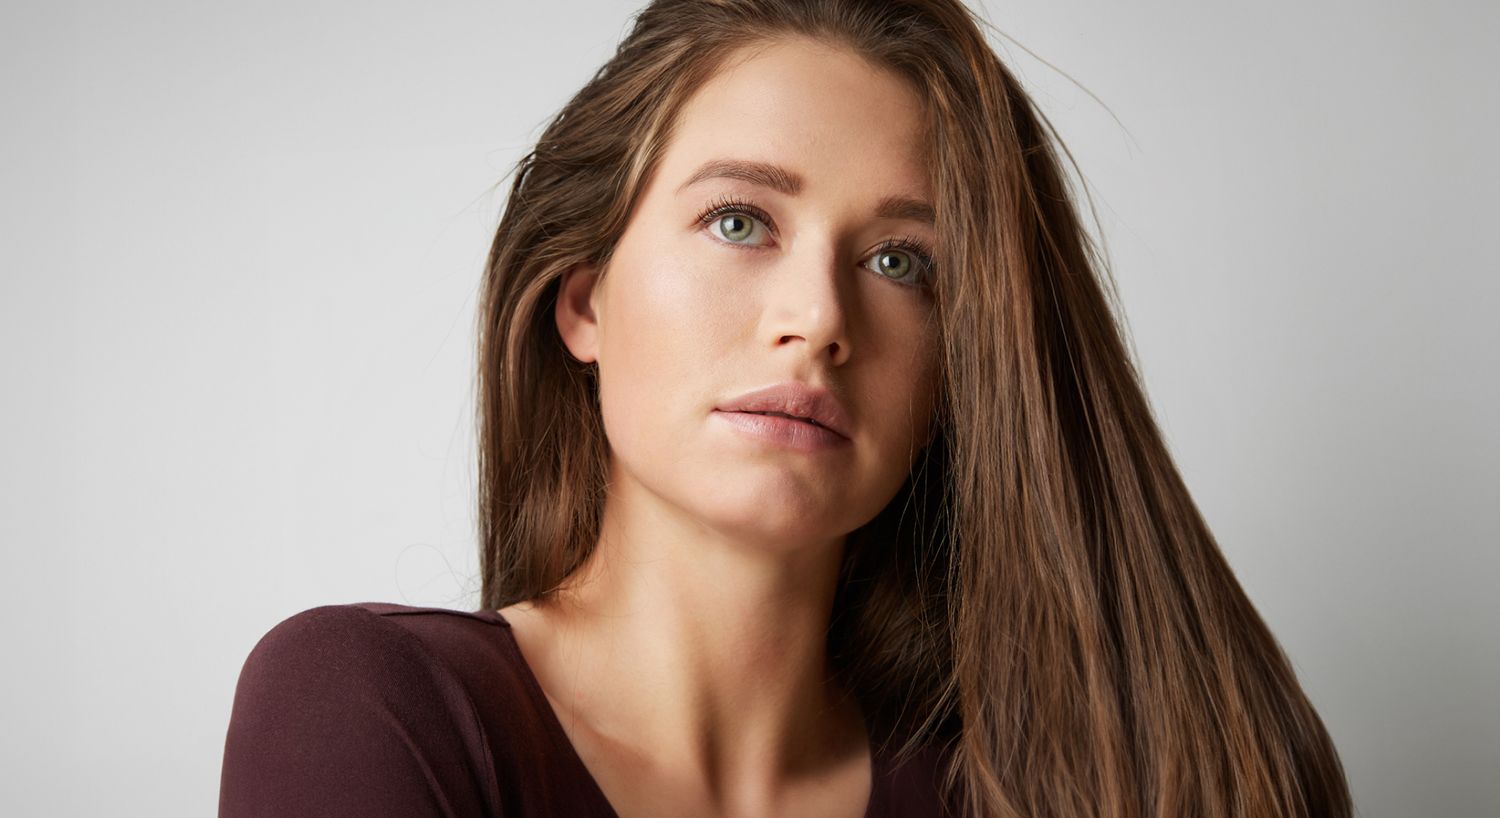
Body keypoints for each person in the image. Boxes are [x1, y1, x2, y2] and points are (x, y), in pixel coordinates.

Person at [219, 1, 1354, 817]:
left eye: (904, 261)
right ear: (584, 302)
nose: (817, 318)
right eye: (738, 221)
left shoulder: (1046, 784)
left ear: (962, 369)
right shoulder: (374, 711)